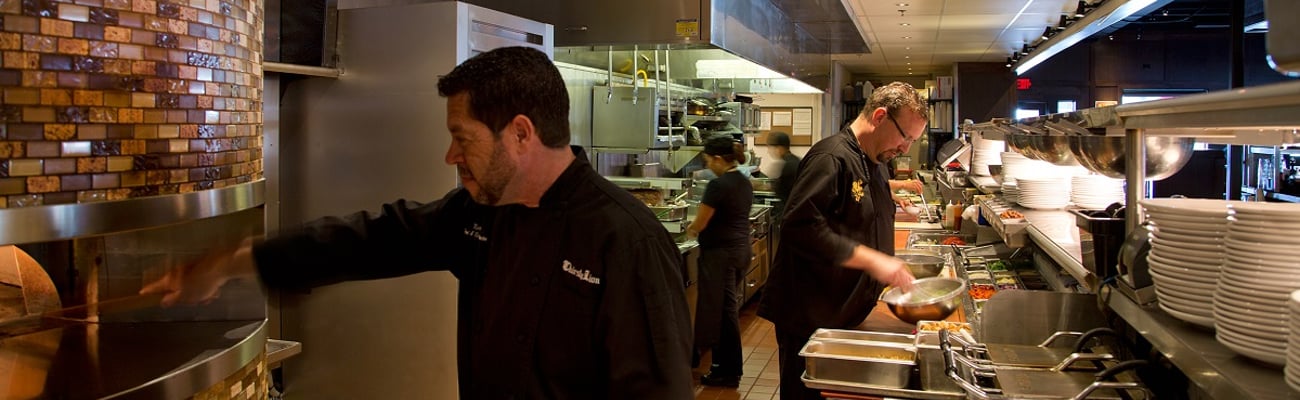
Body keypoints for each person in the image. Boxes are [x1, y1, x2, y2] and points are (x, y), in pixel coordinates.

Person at [140, 47, 694, 399]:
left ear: (521, 134)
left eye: (463, 138)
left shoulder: (627, 242)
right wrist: (230, 263)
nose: (450, 157)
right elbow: (366, 240)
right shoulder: (480, 216)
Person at [757, 81, 927, 400]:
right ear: (879, 116)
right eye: (906, 137)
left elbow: (860, 209)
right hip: (810, 315)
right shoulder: (831, 156)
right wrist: (872, 260)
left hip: (843, 312)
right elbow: (800, 226)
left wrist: (894, 212)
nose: (906, 149)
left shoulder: (874, 160)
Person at [686, 136, 755, 388]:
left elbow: (701, 222)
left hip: (721, 256)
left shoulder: (718, 185)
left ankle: (726, 371)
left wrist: (689, 230)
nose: (707, 166)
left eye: (707, 161)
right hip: (739, 252)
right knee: (727, 312)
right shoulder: (743, 181)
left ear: (717, 159)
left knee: (723, 315)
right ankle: (726, 368)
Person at [765, 131, 802, 208]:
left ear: (779, 148)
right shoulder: (796, 160)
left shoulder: (785, 165)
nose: (768, 151)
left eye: (770, 148)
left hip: (790, 210)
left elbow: (779, 188)